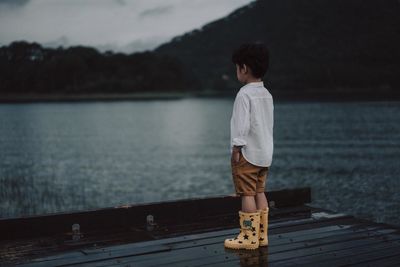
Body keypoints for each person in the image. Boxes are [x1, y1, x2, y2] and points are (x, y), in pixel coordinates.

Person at [224, 42, 274, 250]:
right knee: (259, 191)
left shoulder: (244, 94)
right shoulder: (266, 93)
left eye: (237, 67)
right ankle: (261, 235)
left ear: (243, 68)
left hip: (248, 153)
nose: (237, 71)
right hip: (264, 154)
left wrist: (236, 149)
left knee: (247, 194)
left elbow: (242, 126)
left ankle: (248, 237)